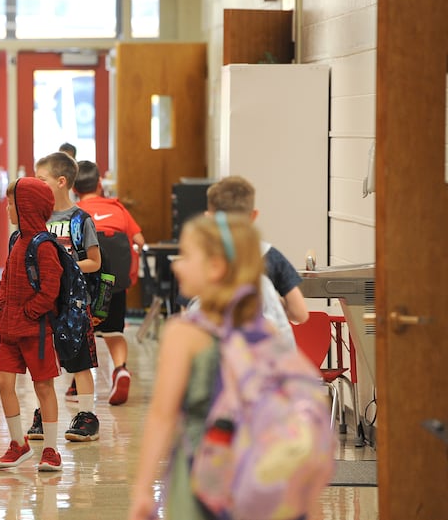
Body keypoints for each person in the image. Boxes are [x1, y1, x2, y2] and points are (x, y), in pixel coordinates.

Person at [129, 212, 265, 520]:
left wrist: (141, 489)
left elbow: (164, 416)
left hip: (201, 473)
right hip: (255, 472)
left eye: (186, 255)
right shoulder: (261, 331)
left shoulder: (185, 333)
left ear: (216, 267)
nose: (176, 264)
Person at [31, 152, 101, 442]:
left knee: (79, 360)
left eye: (41, 179)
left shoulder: (80, 220)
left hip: (73, 304)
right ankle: (42, 413)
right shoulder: (38, 218)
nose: (37, 184)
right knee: (42, 360)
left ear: (61, 182)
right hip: (44, 302)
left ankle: (87, 416)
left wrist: (64, 269)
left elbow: (94, 262)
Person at [0, 177, 63, 472]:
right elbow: (6, 278)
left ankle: (51, 449)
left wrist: (30, 313)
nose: (7, 209)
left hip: (35, 330)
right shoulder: (15, 240)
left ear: (27, 208)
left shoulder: (44, 246)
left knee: (43, 386)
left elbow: (50, 290)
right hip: (9, 329)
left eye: (11, 204)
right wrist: (1, 308)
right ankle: (18, 444)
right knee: (3, 382)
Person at [74, 160, 145, 406]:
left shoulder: (76, 212)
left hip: (84, 286)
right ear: (100, 183)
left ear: (73, 188)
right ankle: (121, 369)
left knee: (81, 333)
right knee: (114, 332)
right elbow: (139, 240)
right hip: (113, 284)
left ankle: (76, 383)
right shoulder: (118, 208)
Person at [206, 175, 309, 326]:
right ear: (253, 215)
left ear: (209, 217)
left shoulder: (201, 259)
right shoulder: (271, 256)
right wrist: (273, 303)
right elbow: (300, 313)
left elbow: (188, 312)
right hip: (263, 347)